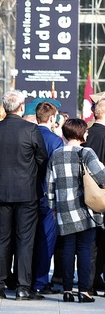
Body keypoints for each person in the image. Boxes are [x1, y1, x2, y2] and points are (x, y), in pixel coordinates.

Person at [0, 90, 48, 300]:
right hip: (26, 192)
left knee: (1, 240)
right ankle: (22, 287)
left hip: (2, 190)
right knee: (25, 240)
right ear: (21, 107)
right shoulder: (31, 129)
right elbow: (42, 159)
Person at [46, 119, 105, 303]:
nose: (87, 134)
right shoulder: (86, 153)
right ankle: (84, 291)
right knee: (85, 249)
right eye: (85, 132)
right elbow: (101, 176)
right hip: (85, 209)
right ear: (80, 134)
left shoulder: (56, 154)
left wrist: (52, 206)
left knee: (67, 250)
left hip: (64, 209)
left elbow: (49, 184)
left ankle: (67, 290)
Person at [33, 102, 64, 295]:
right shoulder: (55, 141)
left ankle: (24, 279)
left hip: (27, 195)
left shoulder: (27, 135)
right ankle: (40, 281)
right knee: (46, 240)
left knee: (26, 239)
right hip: (46, 196)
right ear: (52, 118)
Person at [84, 98, 105, 294]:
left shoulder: (89, 134)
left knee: (93, 241)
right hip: (101, 193)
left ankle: (90, 281)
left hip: (90, 194)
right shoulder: (101, 134)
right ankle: (93, 280)